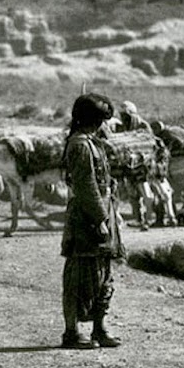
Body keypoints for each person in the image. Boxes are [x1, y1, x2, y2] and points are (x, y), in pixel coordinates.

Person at [61, 92, 123, 350]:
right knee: (79, 275)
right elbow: (86, 185)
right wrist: (100, 218)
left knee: (103, 273)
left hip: (102, 210)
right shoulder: (79, 145)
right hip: (86, 217)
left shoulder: (91, 143)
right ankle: (72, 332)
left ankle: (99, 328)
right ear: (94, 120)